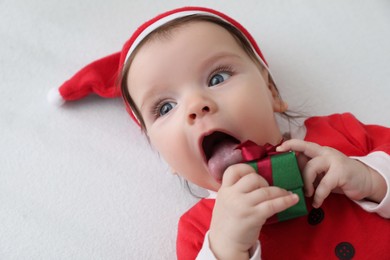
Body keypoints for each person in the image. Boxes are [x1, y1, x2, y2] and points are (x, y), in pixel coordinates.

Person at [49, 6, 390, 260]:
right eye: (165, 108)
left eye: (217, 78)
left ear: (271, 91)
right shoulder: (203, 232)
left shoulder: (342, 135)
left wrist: (373, 179)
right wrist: (227, 247)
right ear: (166, 158)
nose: (196, 105)